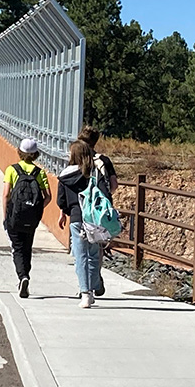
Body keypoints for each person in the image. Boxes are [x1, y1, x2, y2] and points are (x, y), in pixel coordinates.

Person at [57, 140, 104, 308]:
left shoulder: (64, 175)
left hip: (76, 218)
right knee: (93, 255)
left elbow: (61, 200)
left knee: (80, 256)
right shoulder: (94, 173)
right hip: (94, 218)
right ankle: (90, 292)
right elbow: (104, 194)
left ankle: (84, 293)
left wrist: (64, 213)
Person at [3, 138, 51, 298]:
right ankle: (25, 276)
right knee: (27, 246)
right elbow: (48, 197)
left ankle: (22, 276)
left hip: (14, 216)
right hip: (31, 218)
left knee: (17, 247)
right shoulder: (40, 172)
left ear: (20, 152)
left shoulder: (12, 169)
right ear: (36, 154)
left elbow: (5, 195)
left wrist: (6, 216)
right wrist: (35, 209)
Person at [77, 126, 118, 296]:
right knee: (97, 246)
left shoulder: (77, 160)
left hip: (81, 207)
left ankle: (84, 285)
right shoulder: (104, 160)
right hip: (100, 209)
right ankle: (95, 278)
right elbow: (114, 185)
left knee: (81, 248)